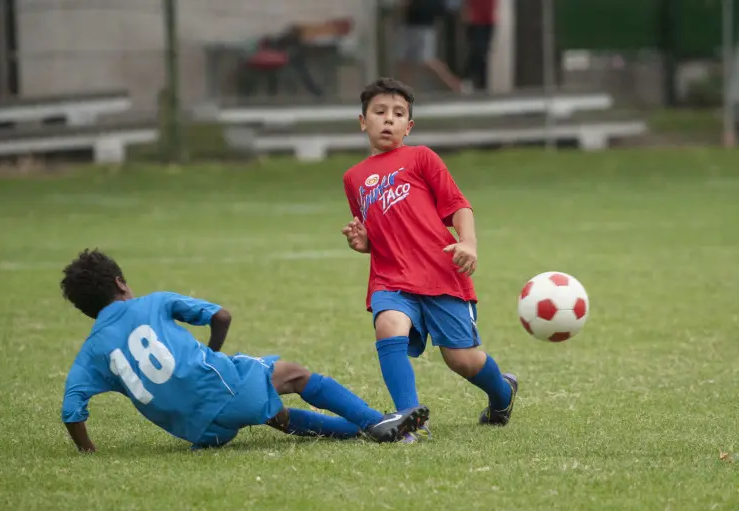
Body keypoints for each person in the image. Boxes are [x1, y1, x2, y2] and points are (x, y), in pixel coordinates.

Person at [59, 249, 429, 452]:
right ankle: (375, 423)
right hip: (225, 390)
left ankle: (357, 431)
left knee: (271, 411)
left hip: (199, 433)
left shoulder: (92, 351)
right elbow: (221, 315)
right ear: (121, 282)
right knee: (293, 373)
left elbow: (72, 410)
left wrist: (88, 451)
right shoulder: (153, 302)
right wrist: (213, 353)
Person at [340, 78, 518, 443]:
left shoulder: (422, 157)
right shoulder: (353, 178)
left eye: (398, 113)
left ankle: (501, 394)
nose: (388, 120)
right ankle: (410, 418)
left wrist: (467, 243)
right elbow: (383, 233)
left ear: (409, 126)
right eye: (379, 112)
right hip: (390, 278)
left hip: (441, 274)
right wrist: (365, 244)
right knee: (388, 323)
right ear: (363, 121)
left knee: (462, 360)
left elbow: (458, 206)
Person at [462, 0, 497, 92]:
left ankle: (482, 83)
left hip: (489, 19)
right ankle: (467, 77)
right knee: (478, 50)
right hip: (476, 20)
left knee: (484, 52)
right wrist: (466, 13)